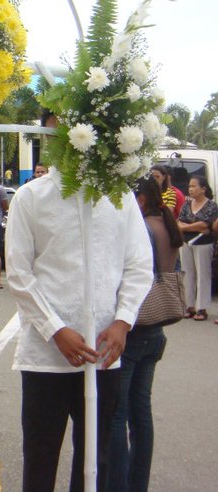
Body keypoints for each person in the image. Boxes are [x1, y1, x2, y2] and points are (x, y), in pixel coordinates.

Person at [5, 165, 153, 492]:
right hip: (45, 356)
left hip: (103, 351)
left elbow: (139, 264)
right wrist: (56, 330)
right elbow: (18, 273)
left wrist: (123, 321)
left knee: (97, 460)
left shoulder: (119, 196)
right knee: (40, 457)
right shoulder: (31, 196)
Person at [107, 176, 182, 492]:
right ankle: (137, 484)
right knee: (141, 413)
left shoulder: (143, 228)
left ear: (139, 199)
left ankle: (118, 485)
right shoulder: (166, 224)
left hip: (135, 328)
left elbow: (134, 277)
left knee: (116, 413)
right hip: (156, 328)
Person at [177, 176, 218, 321]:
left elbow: (205, 225)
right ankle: (189, 306)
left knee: (203, 274)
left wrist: (186, 226)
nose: (190, 189)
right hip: (186, 242)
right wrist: (190, 227)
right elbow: (179, 222)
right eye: (189, 186)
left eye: (194, 186)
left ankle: (201, 308)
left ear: (203, 189)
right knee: (187, 274)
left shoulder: (211, 205)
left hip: (203, 243)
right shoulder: (187, 204)